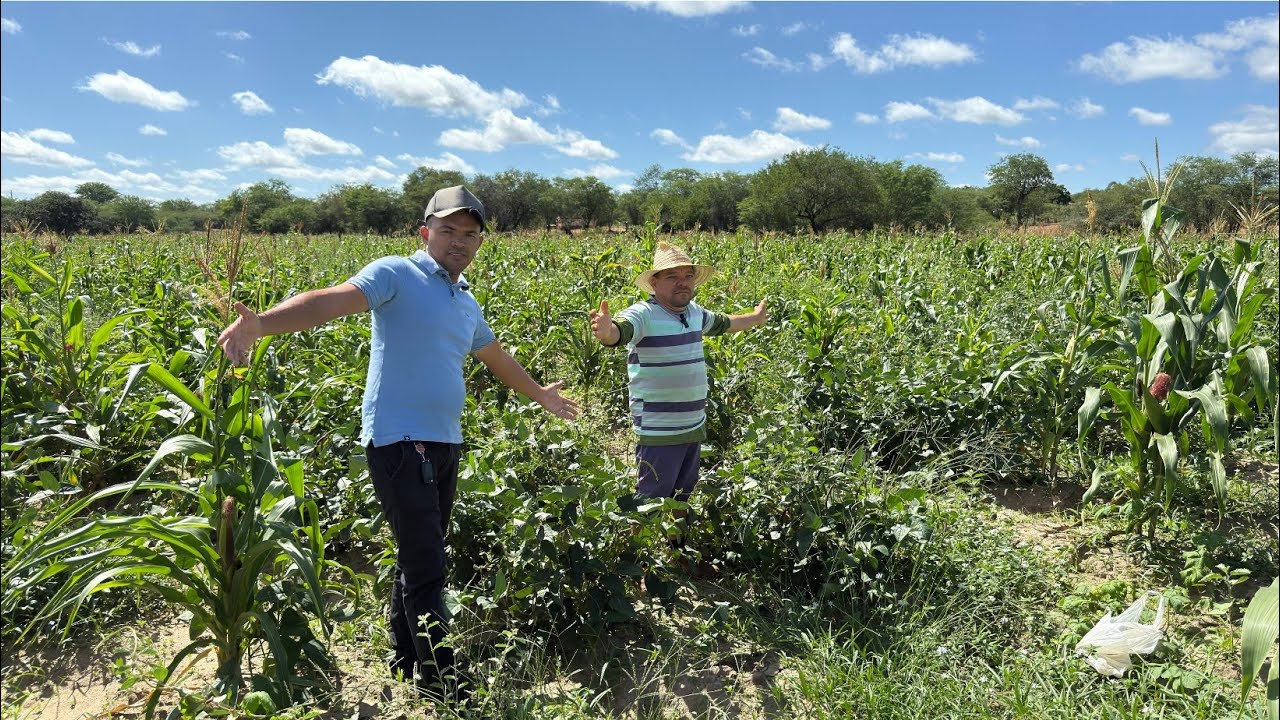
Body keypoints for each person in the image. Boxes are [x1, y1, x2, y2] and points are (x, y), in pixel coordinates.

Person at [217, 185, 579, 702]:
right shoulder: (396, 274)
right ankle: (442, 681)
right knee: (427, 561)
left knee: (419, 554)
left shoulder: (464, 300)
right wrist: (263, 325)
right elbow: (333, 301)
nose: (460, 241)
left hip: (445, 442)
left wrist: (540, 393)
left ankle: (406, 655)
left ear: (480, 242)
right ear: (424, 232)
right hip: (400, 441)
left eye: (470, 233)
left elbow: (495, 356)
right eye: (449, 230)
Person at [589, 241, 767, 534]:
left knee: (683, 495)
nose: (682, 282)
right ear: (654, 282)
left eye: (687, 275)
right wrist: (607, 331)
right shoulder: (644, 314)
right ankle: (642, 566)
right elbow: (620, 332)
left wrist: (756, 319)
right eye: (672, 276)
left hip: (692, 424)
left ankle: (677, 555)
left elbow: (723, 323)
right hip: (660, 429)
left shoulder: (694, 312)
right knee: (651, 500)